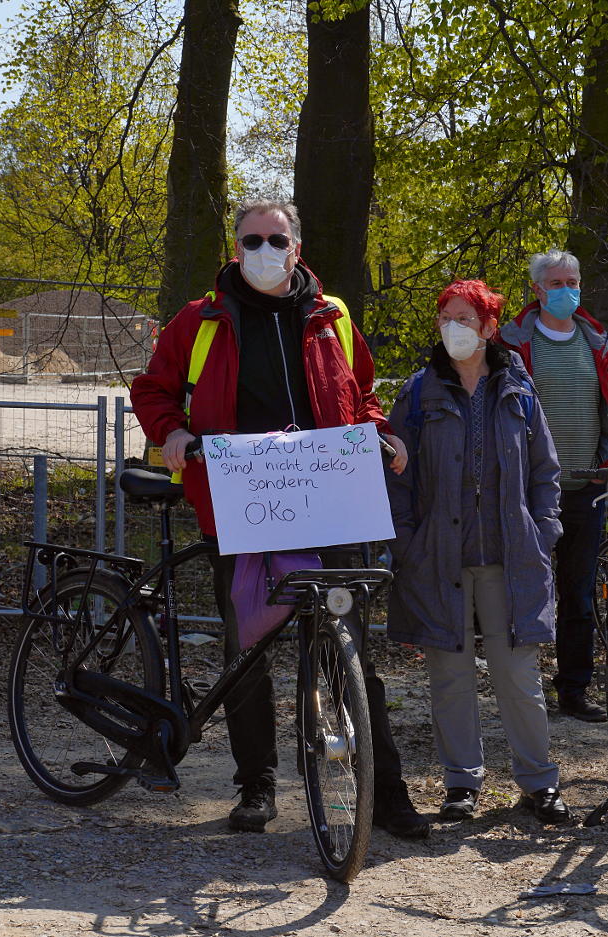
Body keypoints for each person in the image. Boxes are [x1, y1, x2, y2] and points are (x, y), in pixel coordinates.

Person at [130, 198, 429, 839]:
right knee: (248, 647)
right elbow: (152, 387)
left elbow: (362, 392)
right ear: (234, 247)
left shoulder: (333, 315)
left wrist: (380, 431)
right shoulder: (200, 320)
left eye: (276, 237)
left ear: (298, 245)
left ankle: (386, 789)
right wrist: (172, 431)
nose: (263, 249)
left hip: (330, 494)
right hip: (242, 497)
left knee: (350, 643)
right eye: (251, 239)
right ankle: (257, 785)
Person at [385, 278, 570, 824]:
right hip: (438, 558)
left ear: (490, 328)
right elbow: (397, 475)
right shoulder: (418, 393)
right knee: (451, 678)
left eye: (465, 319)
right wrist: (406, 540)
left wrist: (546, 530)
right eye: (446, 317)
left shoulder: (520, 391)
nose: (453, 328)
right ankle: (460, 785)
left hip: (512, 559)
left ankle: (539, 783)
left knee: (519, 677)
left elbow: (545, 472)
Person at [499, 250, 608, 722]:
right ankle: (516, 694)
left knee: (579, 596)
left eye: (573, 281)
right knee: (519, 593)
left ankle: (573, 690)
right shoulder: (510, 344)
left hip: (586, 488)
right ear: (537, 289)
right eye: (556, 282)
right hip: (525, 492)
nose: (566, 290)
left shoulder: (596, 341)